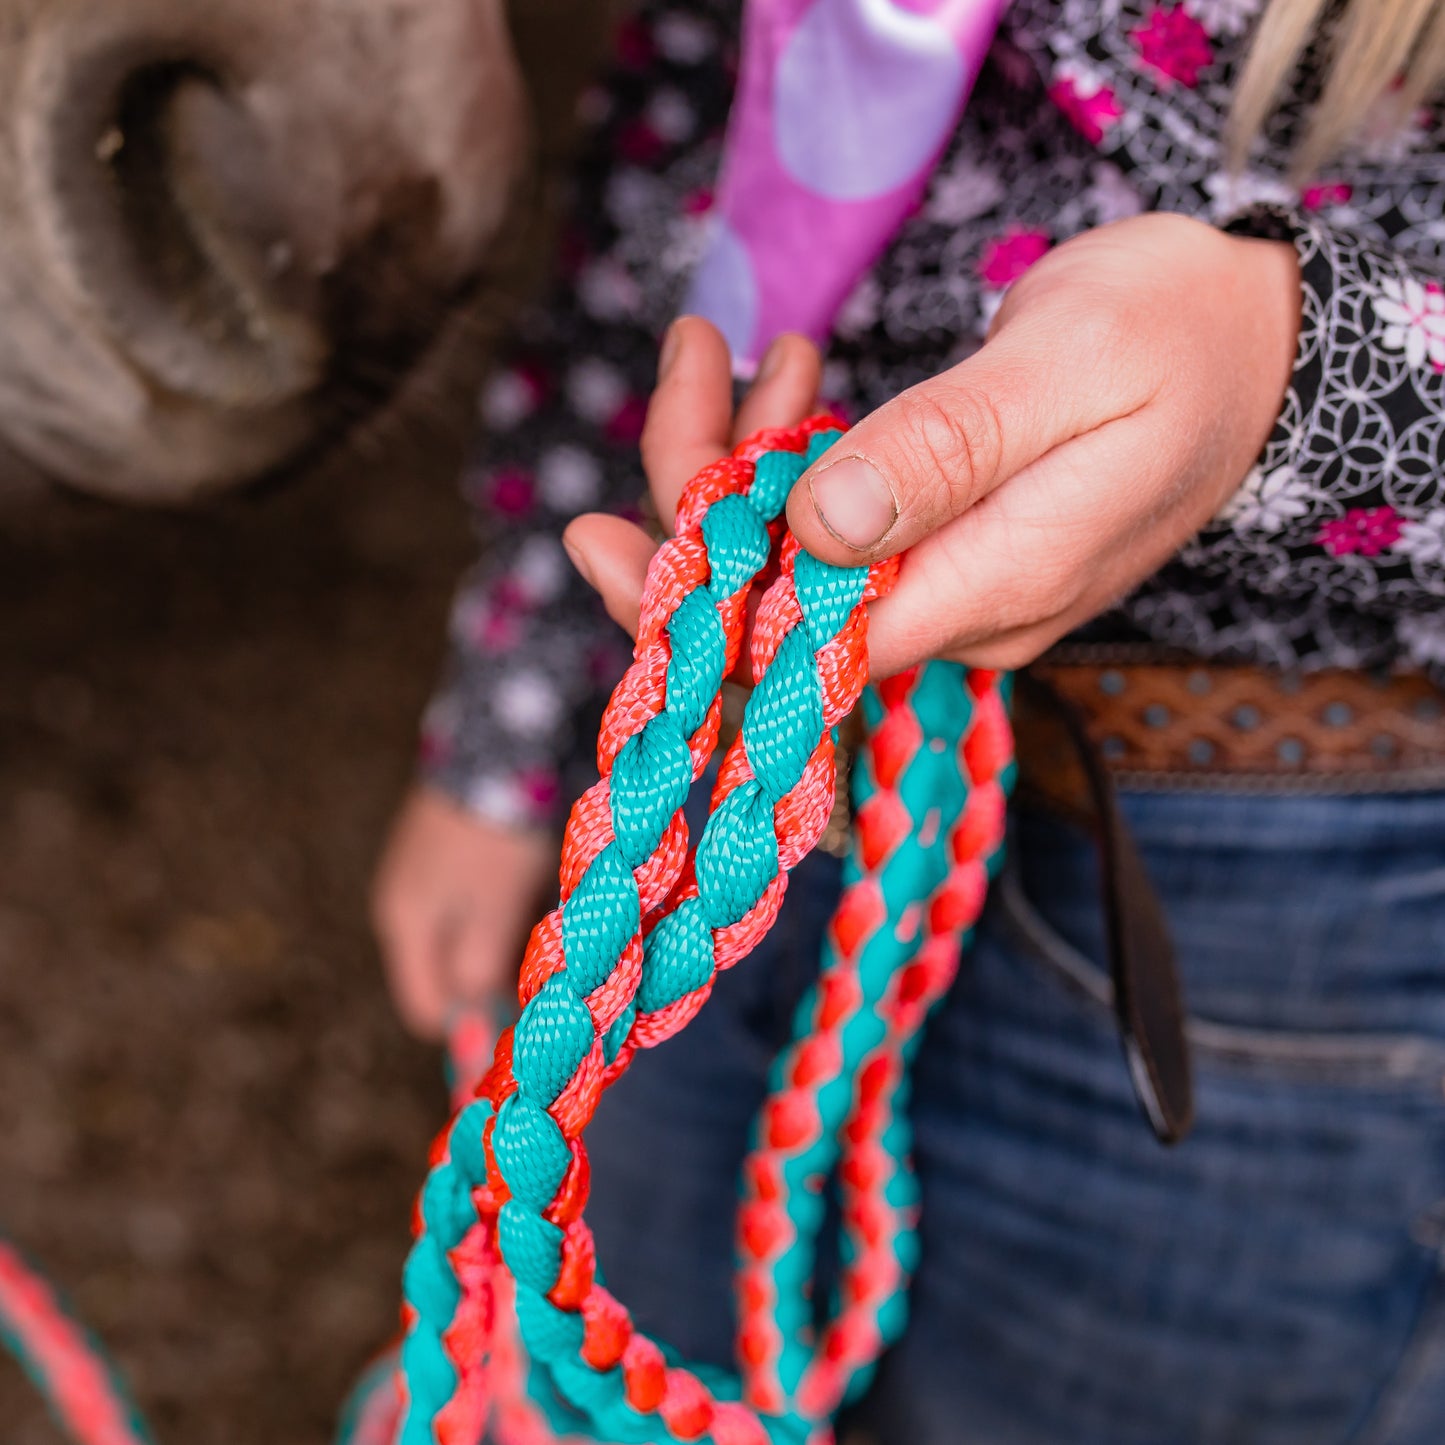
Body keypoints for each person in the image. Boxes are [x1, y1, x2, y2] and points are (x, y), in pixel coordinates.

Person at [373, 2, 1445, 1440]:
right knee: (588, 1331)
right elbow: (687, 120)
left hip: (1284, 924)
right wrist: (511, 718)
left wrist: (1289, 369)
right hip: (739, 772)